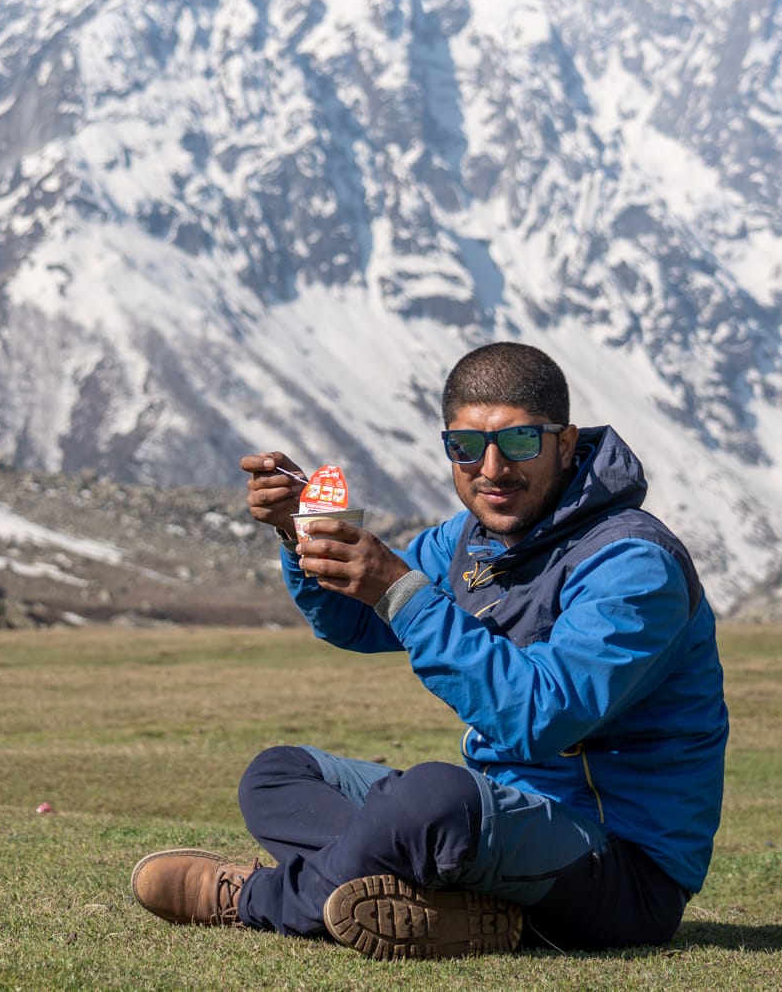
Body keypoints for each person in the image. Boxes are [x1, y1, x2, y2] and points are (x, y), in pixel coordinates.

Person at [129, 342, 728, 960]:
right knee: (281, 773)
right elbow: (356, 624)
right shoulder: (469, 540)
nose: (491, 468)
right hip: (500, 824)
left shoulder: (632, 563)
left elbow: (539, 718)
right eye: (466, 446)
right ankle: (448, 904)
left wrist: (399, 588)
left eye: (519, 441)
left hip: (621, 871)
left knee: (432, 802)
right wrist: (301, 530)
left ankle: (253, 899)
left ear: (566, 444)